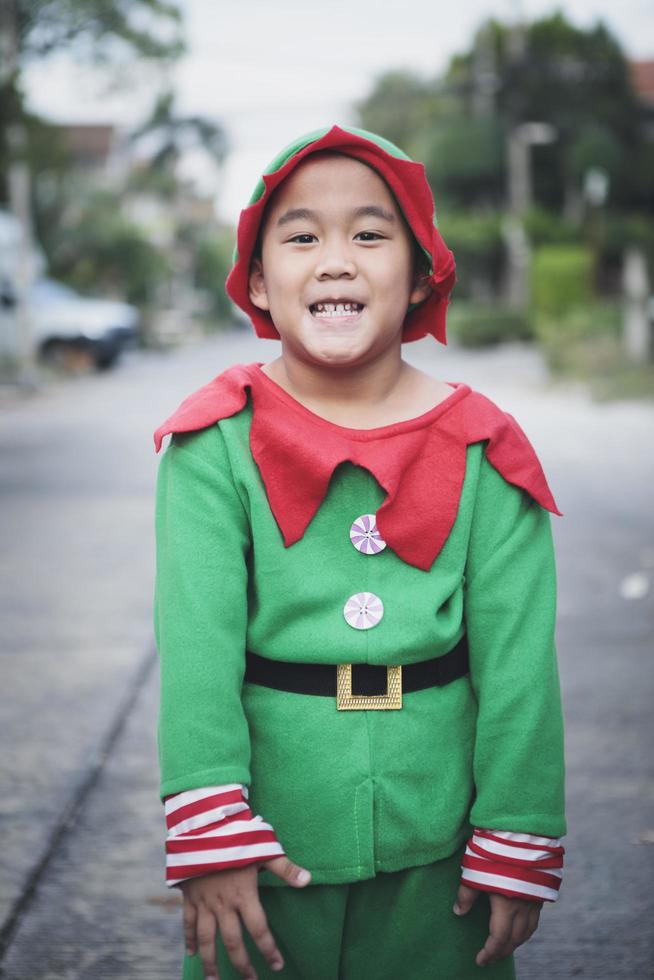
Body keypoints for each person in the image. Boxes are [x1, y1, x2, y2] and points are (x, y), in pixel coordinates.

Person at [153, 124, 566, 980]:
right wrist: (212, 834)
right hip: (264, 844)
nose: (336, 260)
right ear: (260, 282)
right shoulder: (213, 443)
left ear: (421, 274)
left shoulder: (488, 445)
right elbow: (196, 650)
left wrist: (517, 832)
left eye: (371, 234)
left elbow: (519, 658)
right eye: (301, 237)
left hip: (441, 851)